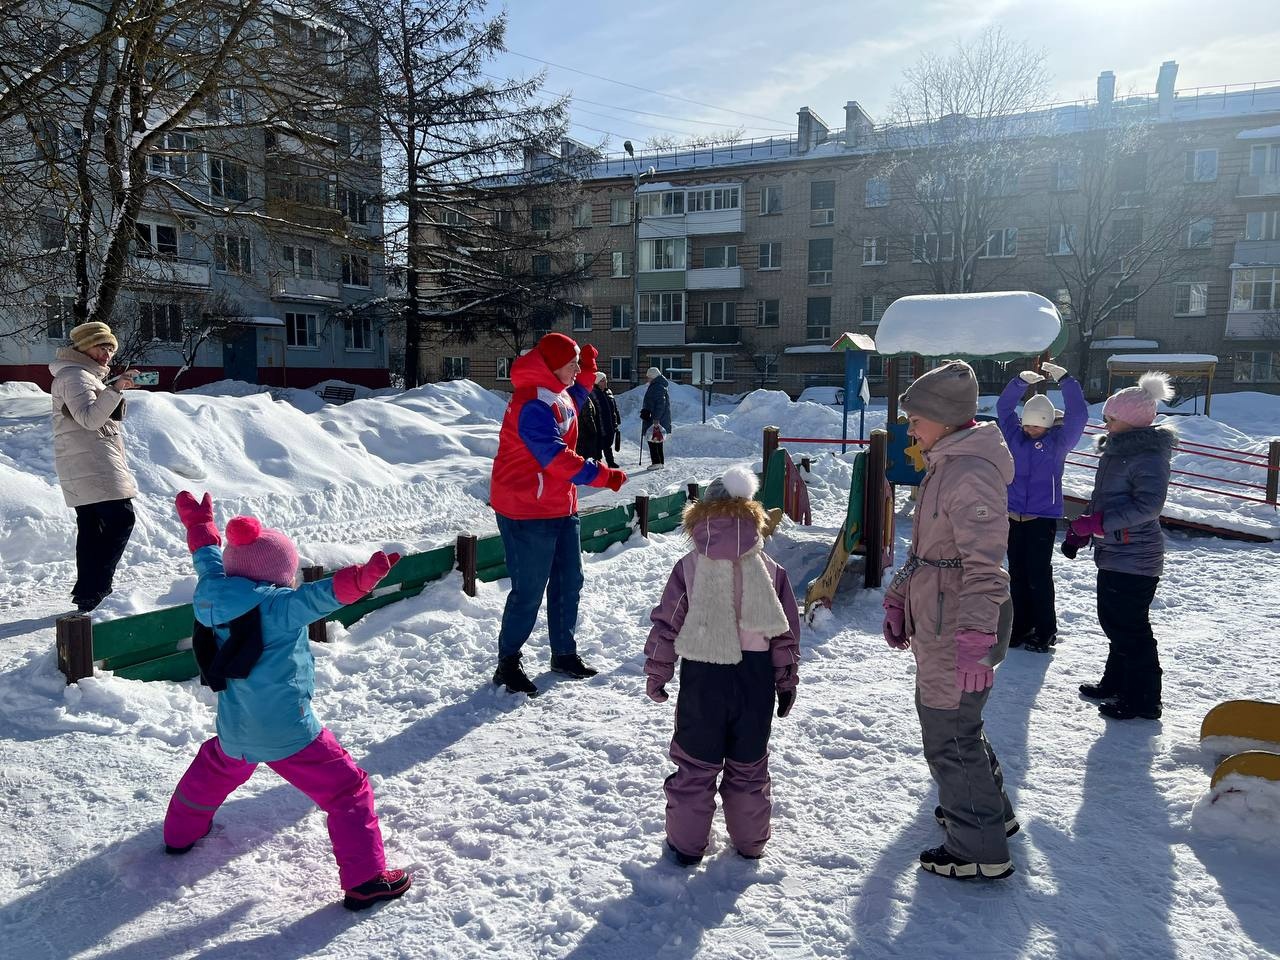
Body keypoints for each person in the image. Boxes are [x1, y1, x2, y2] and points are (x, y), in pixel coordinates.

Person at [164, 491, 411, 911]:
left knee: (213, 771)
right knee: (348, 790)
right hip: (290, 732)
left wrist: (199, 525)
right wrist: (365, 578)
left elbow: (206, 557)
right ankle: (366, 880)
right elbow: (323, 596)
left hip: (235, 728)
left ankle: (179, 835)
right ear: (279, 574)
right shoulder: (278, 607)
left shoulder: (212, 591)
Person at [882, 359, 1018, 881]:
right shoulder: (945, 464)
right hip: (940, 614)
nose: (911, 427)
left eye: (915, 418)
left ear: (942, 418)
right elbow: (928, 550)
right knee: (959, 723)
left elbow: (986, 566)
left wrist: (977, 636)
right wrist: (899, 596)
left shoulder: (970, 473)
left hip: (959, 620)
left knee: (949, 733)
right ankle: (987, 813)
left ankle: (977, 848)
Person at [643, 465, 800, 866]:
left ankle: (686, 844)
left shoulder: (689, 568)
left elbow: (668, 622)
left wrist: (658, 670)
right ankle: (750, 841)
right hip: (755, 680)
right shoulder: (771, 570)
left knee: (696, 764)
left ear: (703, 517)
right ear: (751, 516)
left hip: (704, 679)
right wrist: (785, 678)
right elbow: (784, 632)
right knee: (748, 765)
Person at [488, 333, 627, 696]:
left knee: (568, 582)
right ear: (552, 366)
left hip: (560, 506)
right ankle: (507, 664)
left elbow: (574, 401)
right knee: (529, 590)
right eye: (572, 364)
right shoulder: (530, 403)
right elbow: (553, 456)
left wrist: (588, 372)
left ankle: (563, 653)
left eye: (578, 363)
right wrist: (603, 475)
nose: (577, 369)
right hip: (526, 508)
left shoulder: (556, 391)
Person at [1067, 372, 1176, 722]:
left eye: (1111, 418)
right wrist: (1084, 527)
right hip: (1115, 552)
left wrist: (1098, 524)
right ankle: (1116, 682)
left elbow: (1149, 506)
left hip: (1136, 555)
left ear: (1130, 421)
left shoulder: (1147, 456)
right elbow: (1105, 500)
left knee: (1129, 627)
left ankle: (1144, 698)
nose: (1106, 423)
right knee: (1114, 623)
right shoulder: (1116, 453)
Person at [49, 321, 142, 612]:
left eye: (111, 348)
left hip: (86, 462)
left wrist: (113, 389)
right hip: (94, 463)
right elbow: (90, 419)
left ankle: (88, 592)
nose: (107, 354)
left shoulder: (82, 376)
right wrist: (114, 390)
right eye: (101, 346)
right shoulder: (76, 376)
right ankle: (99, 589)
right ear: (83, 347)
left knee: (92, 527)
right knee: (121, 520)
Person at [995, 360, 1088, 653]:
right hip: (1012, 516)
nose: (1031, 428)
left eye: (1038, 424)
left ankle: (1046, 629)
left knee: (1039, 575)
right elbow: (1003, 410)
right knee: (1018, 574)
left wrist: (1067, 381)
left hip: (1041, 517)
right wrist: (1019, 383)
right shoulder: (1014, 439)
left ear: (1048, 423)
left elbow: (1078, 416)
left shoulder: (1058, 443)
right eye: (1028, 423)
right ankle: (1021, 626)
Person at [640, 366, 672, 467]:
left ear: (653, 376)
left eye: (648, 377)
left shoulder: (657, 386)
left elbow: (660, 404)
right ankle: (660, 462)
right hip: (654, 416)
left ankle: (656, 462)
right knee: (657, 439)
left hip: (655, 418)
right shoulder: (658, 385)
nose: (647, 379)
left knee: (653, 440)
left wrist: (656, 419)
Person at [592, 371, 622, 469]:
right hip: (599, 422)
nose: (605, 382)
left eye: (605, 380)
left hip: (610, 422)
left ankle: (610, 462)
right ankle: (598, 462)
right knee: (599, 443)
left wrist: (617, 418)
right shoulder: (593, 393)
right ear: (597, 382)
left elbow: (614, 408)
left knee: (608, 443)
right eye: (602, 381)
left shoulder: (609, 392)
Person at [575, 382, 604, 462]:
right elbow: (588, 416)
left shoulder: (582, 397)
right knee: (586, 455)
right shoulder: (585, 399)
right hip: (584, 433)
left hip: (581, 432)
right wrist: (593, 430)